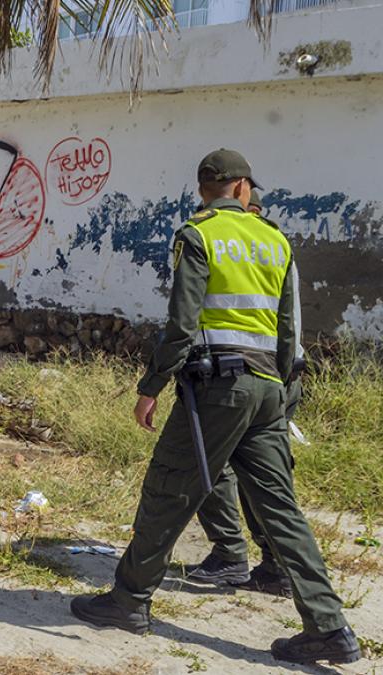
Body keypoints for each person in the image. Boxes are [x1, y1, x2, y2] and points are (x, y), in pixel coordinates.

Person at [69, 150, 360, 666]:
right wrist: (281, 390)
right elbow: (288, 328)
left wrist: (151, 385)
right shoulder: (275, 240)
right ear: (243, 187)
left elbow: (182, 324)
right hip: (269, 389)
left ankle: (128, 601)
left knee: (168, 490)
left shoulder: (197, 235)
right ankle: (329, 626)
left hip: (218, 389)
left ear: (204, 189)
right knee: (281, 509)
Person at [184, 188, 307, 598]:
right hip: (278, 375)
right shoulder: (274, 245)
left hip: (245, 376)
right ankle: (275, 565)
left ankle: (230, 554)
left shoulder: (241, 246)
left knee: (210, 461)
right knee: (264, 476)